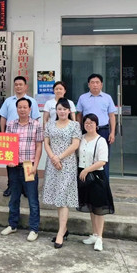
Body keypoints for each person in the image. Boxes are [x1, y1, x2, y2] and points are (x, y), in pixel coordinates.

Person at [0, 97, 43, 242]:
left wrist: (35, 166)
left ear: (30, 109)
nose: (22, 110)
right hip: (14, 166)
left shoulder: (36, 124)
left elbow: (39, 146)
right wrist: (8, 160)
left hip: (28, 165)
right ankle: (12, 225)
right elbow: (7, 144)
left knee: (32, 199)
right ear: (16, 109)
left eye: (25, 107)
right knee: (14, 197)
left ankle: (34, 229)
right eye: (20, 107)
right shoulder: (11, 124)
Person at [42, 98, 81, 249]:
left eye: (65, 109)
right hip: (53, 164)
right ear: (56, 111)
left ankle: (60, 233)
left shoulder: (75, 125)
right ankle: (63, 229)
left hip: (67, 165)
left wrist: (59, 157)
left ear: (69, 111)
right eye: (59, 109)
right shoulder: (49, 124)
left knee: (63, 197)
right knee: (58, 196)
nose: (62, 111)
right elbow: (46, 143)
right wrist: (53, 157)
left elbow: (75, 144)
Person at [77, 113, 115, 252]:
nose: (89, 125)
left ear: (96, 125)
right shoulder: (81, 138)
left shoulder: (101, 140)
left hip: (96, 176)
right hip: (84, 177)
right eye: (86, 123)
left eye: (91, 123)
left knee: (99, 209)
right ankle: (94, 234)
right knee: (91, 207)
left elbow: (103, 161)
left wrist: (87, 170)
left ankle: (100, 238)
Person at [0, 76, 40, 197]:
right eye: (16, 84)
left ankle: (26, 189)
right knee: (11, 164)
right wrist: (3, 135)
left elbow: (36, 119)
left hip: (27, 138)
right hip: (12, 137)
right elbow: (3, 118)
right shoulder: (8, 101)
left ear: (26, 86)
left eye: (20, 84)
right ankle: (11, 186)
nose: (18, 87)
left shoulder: (32, 101)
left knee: (27, 163)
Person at [76, 74, 117, 179]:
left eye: (97, 82)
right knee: (86, 156)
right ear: (88, 85)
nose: (95, 85)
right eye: (92, 82)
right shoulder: (82, 98)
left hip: (103, 130)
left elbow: (112, 116)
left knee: (103, 158)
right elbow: (79, 115)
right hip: (87, 131)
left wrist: (112, 132)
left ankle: (104, 183)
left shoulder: (107, 98)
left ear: (101, 85)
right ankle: (86, 180)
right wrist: (79, 130)